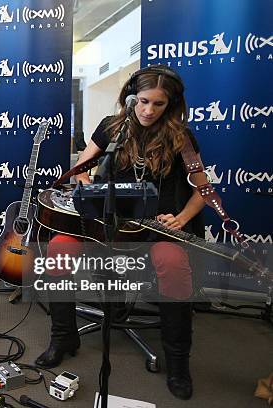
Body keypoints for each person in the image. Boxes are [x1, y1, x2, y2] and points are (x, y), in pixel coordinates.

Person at [36, 65, 205, 400]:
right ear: (130, 98)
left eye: (158, 104)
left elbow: (203, 191)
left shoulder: (181, 138)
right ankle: (63, 336)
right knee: (59, 249)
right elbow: (81, 172)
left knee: (172, 263)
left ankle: (177, 361)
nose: (148, 110)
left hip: (153, 230)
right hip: (105, 227)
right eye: (143, 101)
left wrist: (182, 218)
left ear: (170, 104)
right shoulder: (112, 129)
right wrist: (88, 191)